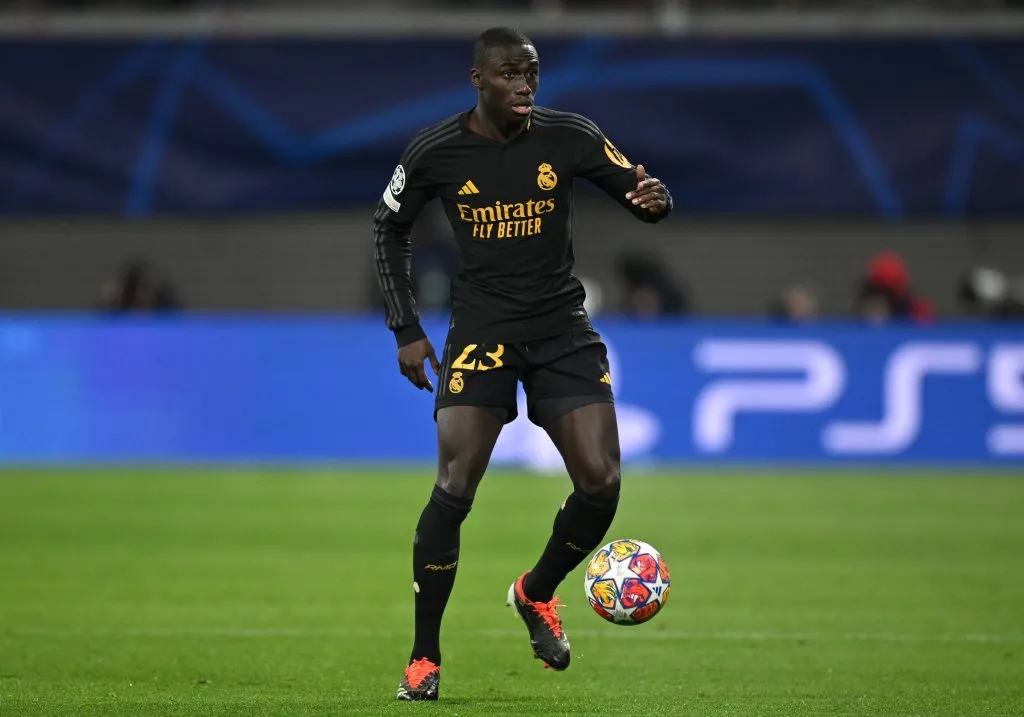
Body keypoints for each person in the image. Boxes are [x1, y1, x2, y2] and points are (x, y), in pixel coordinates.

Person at [372, 26, 673, 702]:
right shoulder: (436, 150)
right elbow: (387, 226)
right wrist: (406, 327)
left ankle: (535, 592)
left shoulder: (567, 135)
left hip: (561, 327)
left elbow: (639, 189)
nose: (525, 86)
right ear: (478, 80)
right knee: (454, 487)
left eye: (532, 73)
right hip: (483, 330)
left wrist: (655, 203)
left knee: (601, 484)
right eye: (510, 74)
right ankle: (424, 656)